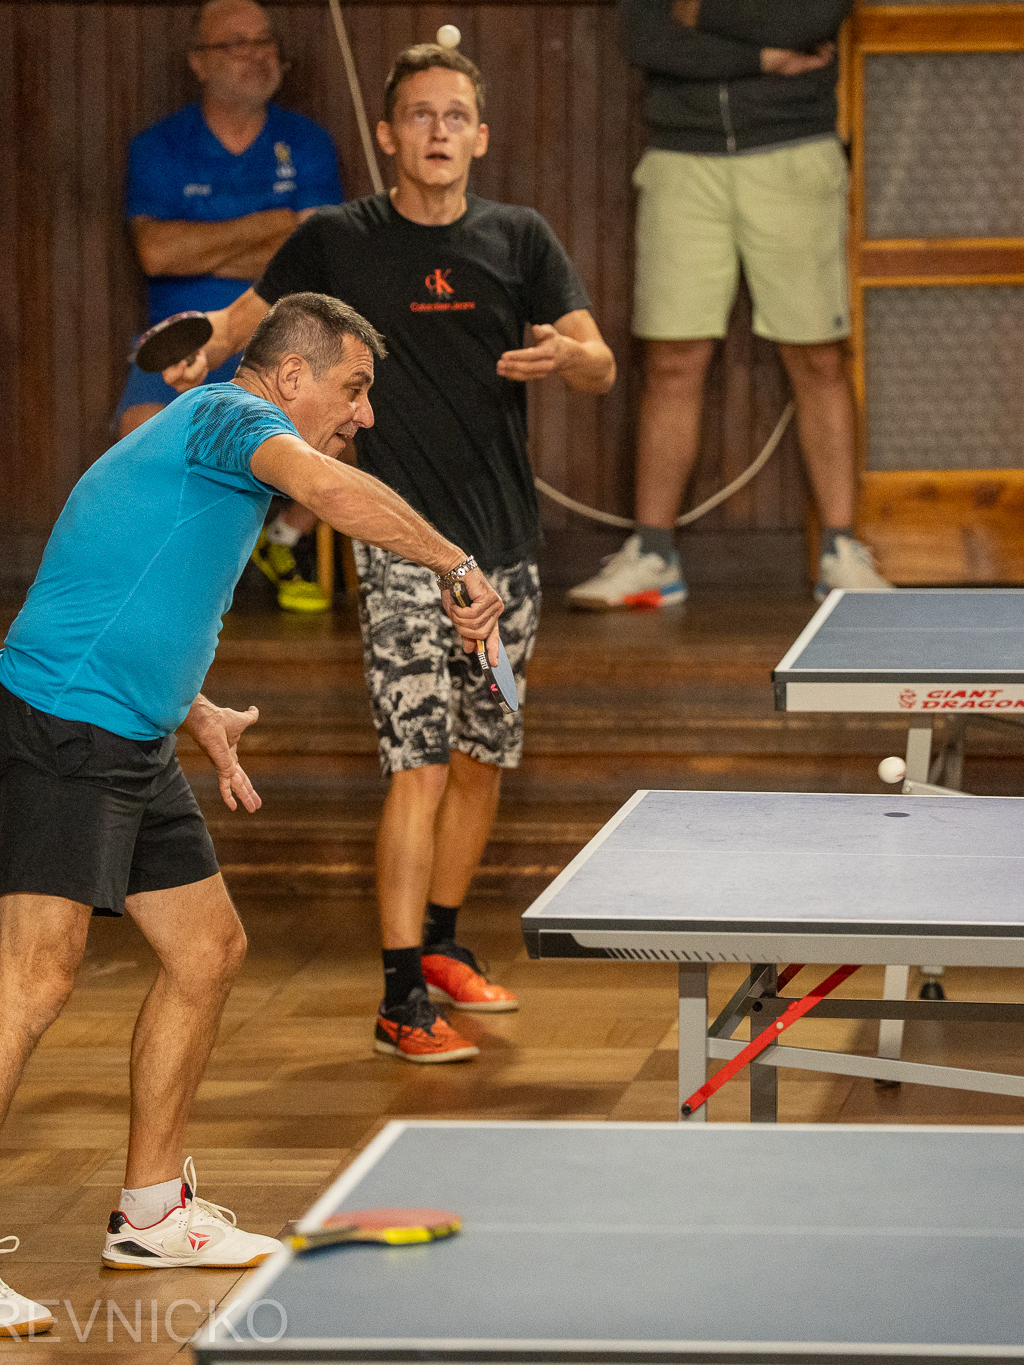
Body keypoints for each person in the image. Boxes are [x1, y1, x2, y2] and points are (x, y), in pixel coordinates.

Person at [0, 293, 506, 1334]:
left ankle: (152, 1211)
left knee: (208, 950)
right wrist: (453, 561)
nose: (363, 413)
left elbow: (125, 577)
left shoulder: (212, 446)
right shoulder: (232, 416)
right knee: (33, 981)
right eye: (354, 388)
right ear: (292, 376)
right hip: (64, 724)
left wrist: (192, 706)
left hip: (129, 727)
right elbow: (329, 488)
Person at [162, 42, 615, 1064]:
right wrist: (198, 349)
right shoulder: (336, 238)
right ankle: (399, 994)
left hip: (505, 553)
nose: (438, 130)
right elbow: (243, 324)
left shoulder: (519, 237)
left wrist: (570, 355)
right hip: (401, 551)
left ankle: (444, 944)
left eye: (455, 115)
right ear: (387, 133)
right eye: (419, 114)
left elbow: (598, 362)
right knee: (419, 765)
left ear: (480, 136)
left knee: (481, 758)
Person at [567, 0, 892, 609]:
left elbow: (809, 19)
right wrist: (764, 57)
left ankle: (842, 550)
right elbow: (644, 37)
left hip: (794, 147)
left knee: (819, 358)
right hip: (681, 156)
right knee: (672, 361)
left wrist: (696, 11)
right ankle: (653, 555)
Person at [121, 0, 345, 610]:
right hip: (183, 339)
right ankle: (189, 575)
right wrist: (274, 225)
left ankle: (282, 540)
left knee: (348, 424)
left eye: (265, 42)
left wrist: (203, 246)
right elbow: (156, 253)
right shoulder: (159, 146)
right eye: (236, 43)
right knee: (141, 437)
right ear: (198, 62)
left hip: (288, 340)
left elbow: (318, 254)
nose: (257, 55)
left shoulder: (307, 142)